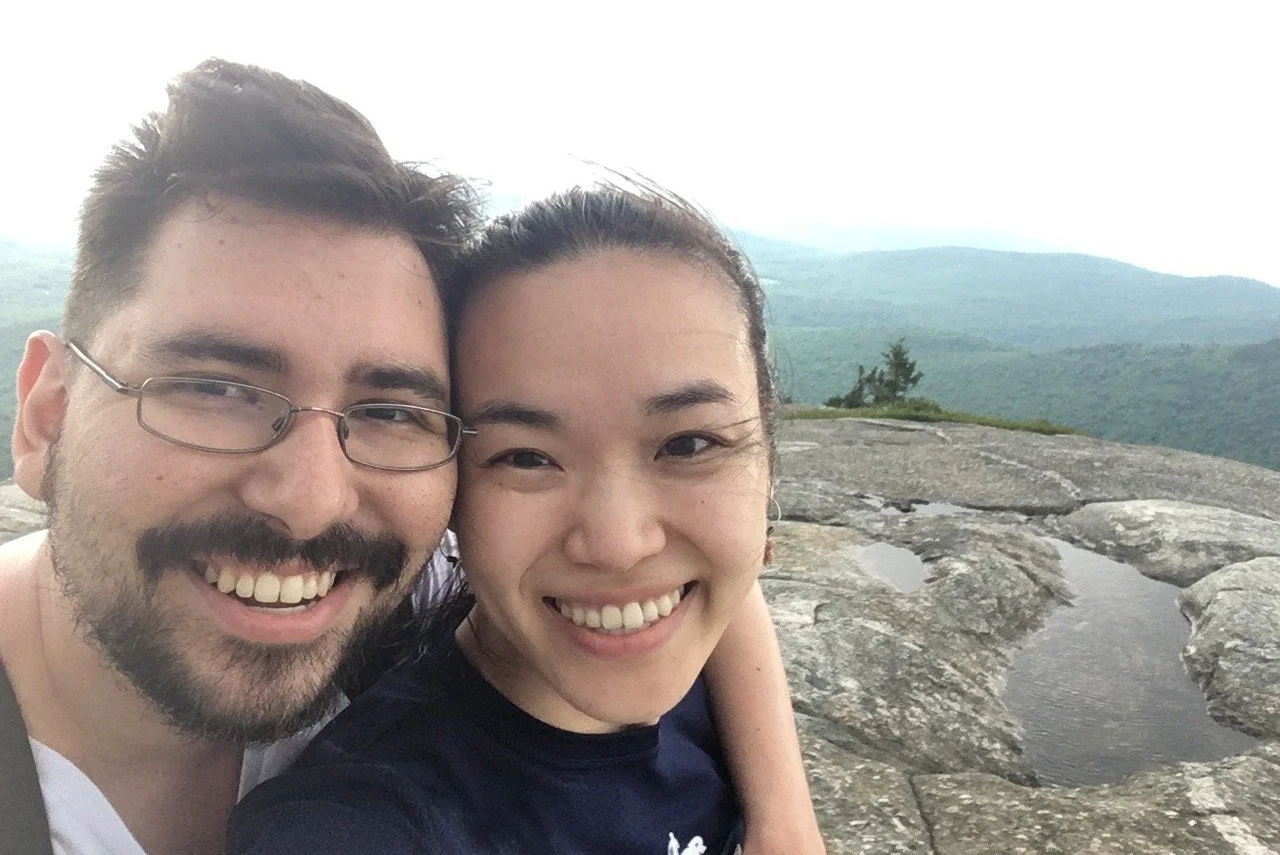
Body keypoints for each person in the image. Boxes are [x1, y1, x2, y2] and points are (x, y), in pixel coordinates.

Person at [0, 61, 822, 854]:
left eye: (390, 411)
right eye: (215, 390)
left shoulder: (407, 593)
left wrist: (785, 821)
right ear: (47, 415)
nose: (314, 501)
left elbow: (672, 577)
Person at [229, 183, 796, 854]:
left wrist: (784, 816)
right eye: (526, 458)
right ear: (454, 493)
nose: (619, 546)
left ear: (765, 453)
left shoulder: (694, 648)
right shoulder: (362, 820)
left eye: (688, 445)